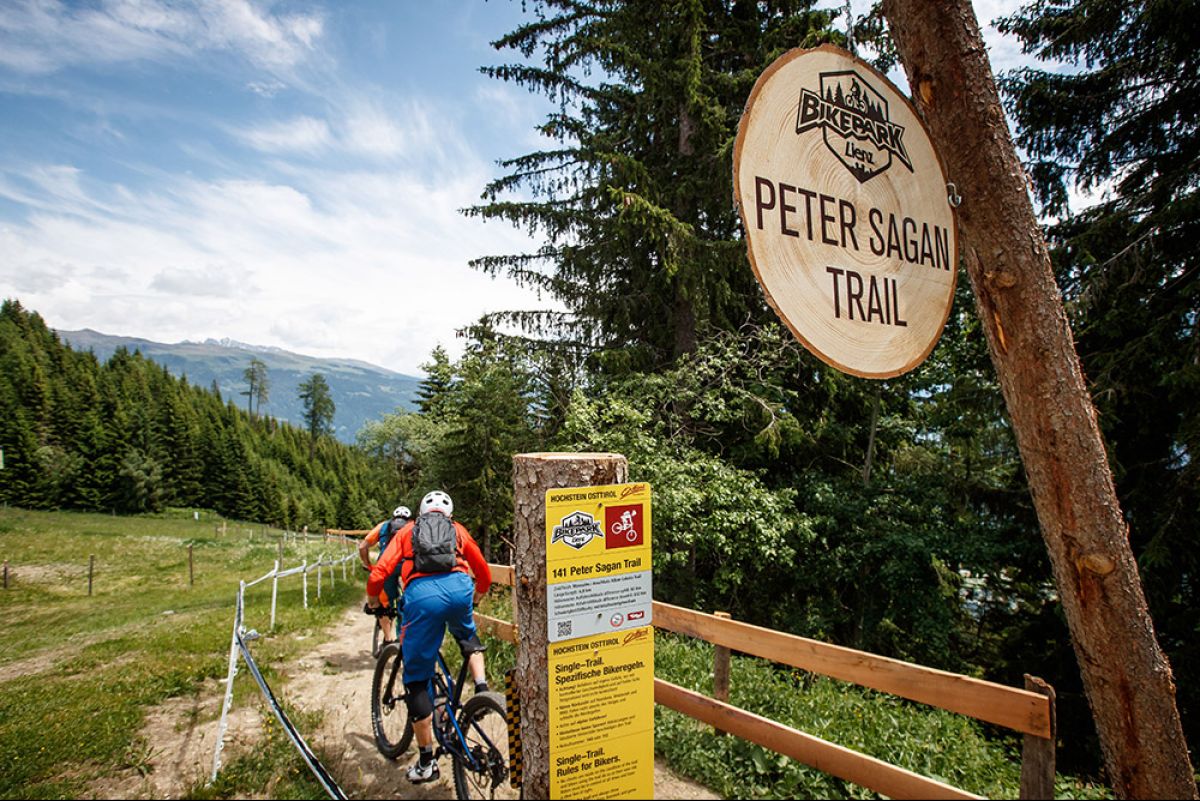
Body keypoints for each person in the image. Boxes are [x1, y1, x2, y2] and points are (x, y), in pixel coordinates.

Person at [365, 490, 492, 784]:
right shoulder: (458, 530)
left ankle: (426, 762)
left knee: (417, 679)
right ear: (449, 514)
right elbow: (483, 572)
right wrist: (475, 597)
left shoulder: (408, 531)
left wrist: (374, 601)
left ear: (421, 511)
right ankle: (482, 690)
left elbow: (379, 573)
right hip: (459, 589)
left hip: (421, 599)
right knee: (467, 637)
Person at [358, 505, 411, 643]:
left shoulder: (384, 526)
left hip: (386, 566)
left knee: (384, 603)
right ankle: (405, 636)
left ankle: (388, 639)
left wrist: (367, 564)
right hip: (407, 567)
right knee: (409, 599)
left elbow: (362, 546)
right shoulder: (413, 526)